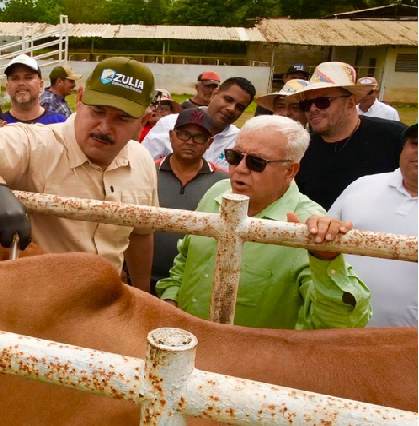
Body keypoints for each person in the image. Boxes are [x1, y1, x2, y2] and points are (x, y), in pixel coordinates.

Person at [0, 57, 159, 292]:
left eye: (122, 118)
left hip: (108, 301)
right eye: (98, 111)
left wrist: (142, 294)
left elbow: (140, 234)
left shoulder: (142, 160)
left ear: (144, 121)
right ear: (80, 99)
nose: (104, 127)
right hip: (40, 301)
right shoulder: (38, 144)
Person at [156, 115, 371, 329]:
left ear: (290, 171)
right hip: (183, 338)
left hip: (247, 351)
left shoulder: (308, 226)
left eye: (256, 162)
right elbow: (186, 258)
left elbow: (342, 323)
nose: (240, 168)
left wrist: (326, 260)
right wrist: (171, 298)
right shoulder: (218, 191)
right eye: (234, 156)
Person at [328, 123, 417, 327]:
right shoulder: (363, 185)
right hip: (339, 327)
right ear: (403, 148)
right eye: (415, 143)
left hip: (409, 339)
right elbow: (324, 236)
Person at [289, 62, 407, 210]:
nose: (313, 109)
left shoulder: (395, 137)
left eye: (322, 102)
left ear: (350, 103)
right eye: (306, 104)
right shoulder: (301, 147)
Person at [152, 108, 228, 290]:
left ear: (209, 143)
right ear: (171, 136)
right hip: (140, 274)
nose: (190, 142)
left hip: (193, 283)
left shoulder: (224, 183)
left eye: (199, 137)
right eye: (184, 134)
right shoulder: (147, 171)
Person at [142, 77, 255, 169]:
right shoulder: (169, 124)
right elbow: (142, 165)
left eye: (240, 107)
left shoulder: (238, 142)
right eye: (228, 99)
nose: (231, 109)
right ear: (214, 94)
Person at [1, 55, 66, 125]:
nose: (21, 83)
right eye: (15, 78)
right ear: (7, 88)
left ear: (41, 85)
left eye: (28, 77)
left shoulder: (60, 124)